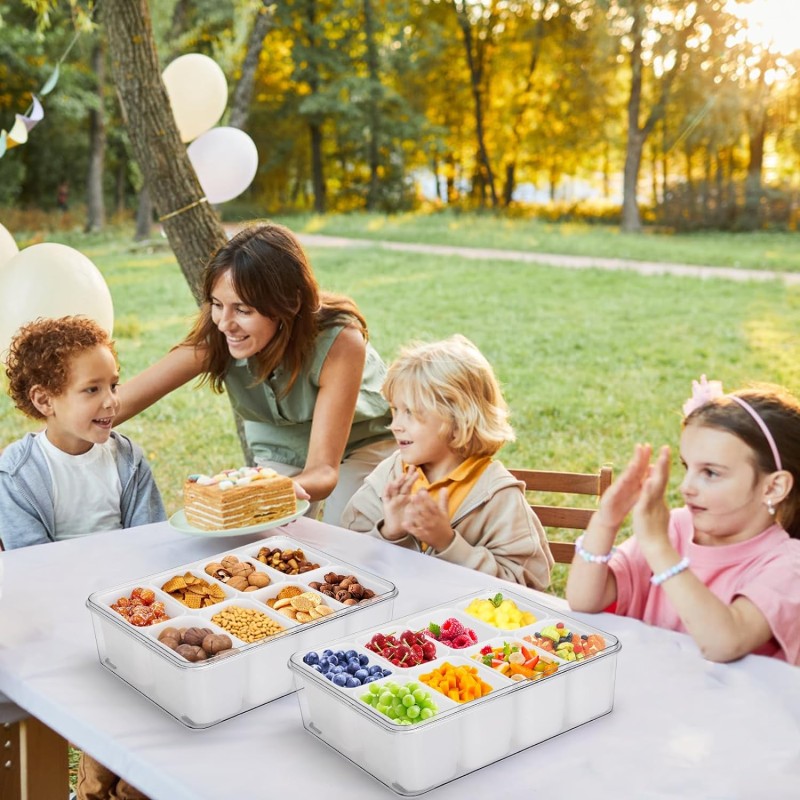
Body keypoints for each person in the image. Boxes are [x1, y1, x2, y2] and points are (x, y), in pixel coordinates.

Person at [115, 222, 395, 526]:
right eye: (218, 305)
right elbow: (122, 402)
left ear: (287, 304)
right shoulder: (218, 338)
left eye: (243, 310)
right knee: (269, 535)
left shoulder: (340, 342)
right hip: (281, 445)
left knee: (351, 527)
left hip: (359, 442)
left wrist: (268, 493)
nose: (224, 323)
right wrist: (66, 421)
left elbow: (324, 472)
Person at [0, 316, 164, 799]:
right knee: (106, 722)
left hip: (131, 616)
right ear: (44, 401)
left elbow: (152, 547)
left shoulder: (128, 461)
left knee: (142, 731)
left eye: (112, 384)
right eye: (91, 389)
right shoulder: (18, 474)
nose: (111, 401)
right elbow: (35, 568)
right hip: (59, 623)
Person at [566, 376, 800, 665]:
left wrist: (659, 548)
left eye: (711, 473)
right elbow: (584, 601)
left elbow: (725, 643)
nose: (686, 486)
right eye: (687, 467)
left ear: (773, 488)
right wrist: (606, 521)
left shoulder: (788, 564)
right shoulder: (675, 527)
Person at [340, 335, 554, 589]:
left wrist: (448, 543)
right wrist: (390, 532)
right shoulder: (390, 475)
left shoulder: (497, 495)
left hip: (466, 626)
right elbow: (347, 558)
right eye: (395, 410)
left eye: (410, 413)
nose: (395, 425)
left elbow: (527, 585)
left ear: (457, 418)